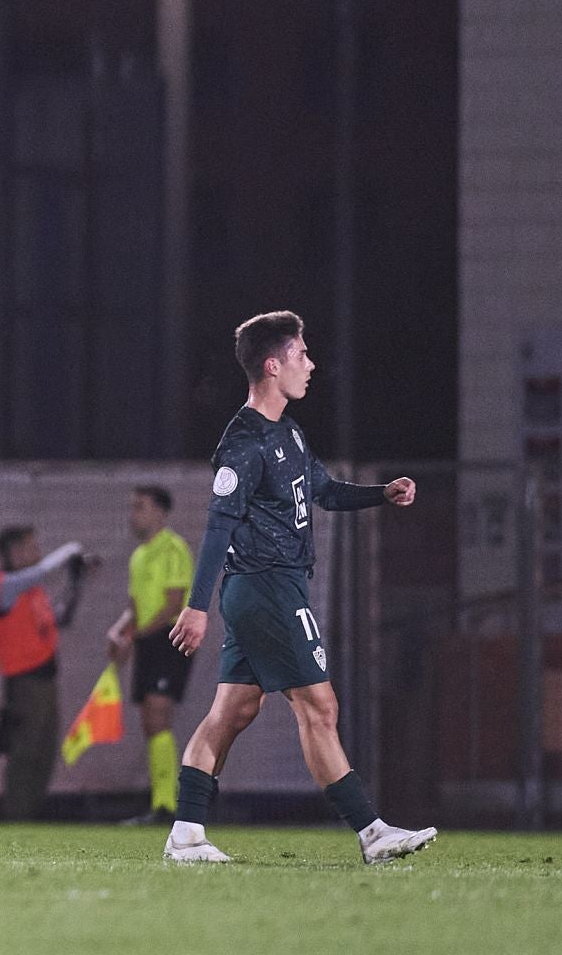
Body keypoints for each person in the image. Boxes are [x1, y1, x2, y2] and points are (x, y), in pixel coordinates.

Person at [166, 311, 434, 865]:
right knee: (319, 704)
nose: (310, 364)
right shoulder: (242, 441)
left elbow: (325, 492)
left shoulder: (287, 431)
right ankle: (371, 831)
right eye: (301, 355)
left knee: (232, 712)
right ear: (273, 364)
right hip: (266, 588)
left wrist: (381, 494)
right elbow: (218, 524)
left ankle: (186, 834)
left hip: (271, 587)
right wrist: (196, 608)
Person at [0, 524, 91, 820]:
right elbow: (43, 570)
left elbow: (58, 619)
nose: (37, 553)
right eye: (31, 547)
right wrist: (70, 551)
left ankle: (30, 812)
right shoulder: (4, 585)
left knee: (44, 751)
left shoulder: (32, 591)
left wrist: (77, 582)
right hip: (24, 684)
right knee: (25, 752)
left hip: (45, 681)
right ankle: (15, 814)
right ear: (14, 552)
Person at [103, 486, 193, 824]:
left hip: (169, 638)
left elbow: (173, 603)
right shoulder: (139, 555)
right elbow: (135, 608)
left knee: (158, 715)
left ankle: (169, 805)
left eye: (140, 507)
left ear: (160, 512)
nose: (133, 514)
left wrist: (134, 636)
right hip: (147, 640)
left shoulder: (174, 548)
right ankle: (162, 803)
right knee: (150, 721)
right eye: (132, 507)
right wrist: (120, 629)